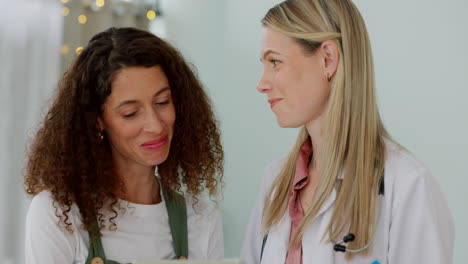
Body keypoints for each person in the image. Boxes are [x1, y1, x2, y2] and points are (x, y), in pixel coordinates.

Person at [241, 0, 454, 263]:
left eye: (274, 62)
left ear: (327, 60)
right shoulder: (275, 183)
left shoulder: (407, 185)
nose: (261, 84)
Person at [24, 27, 224, 264]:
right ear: (97, 120)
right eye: (130, 113)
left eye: (162, 102)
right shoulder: (59, 213)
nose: (155, 125)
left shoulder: (202, 220)